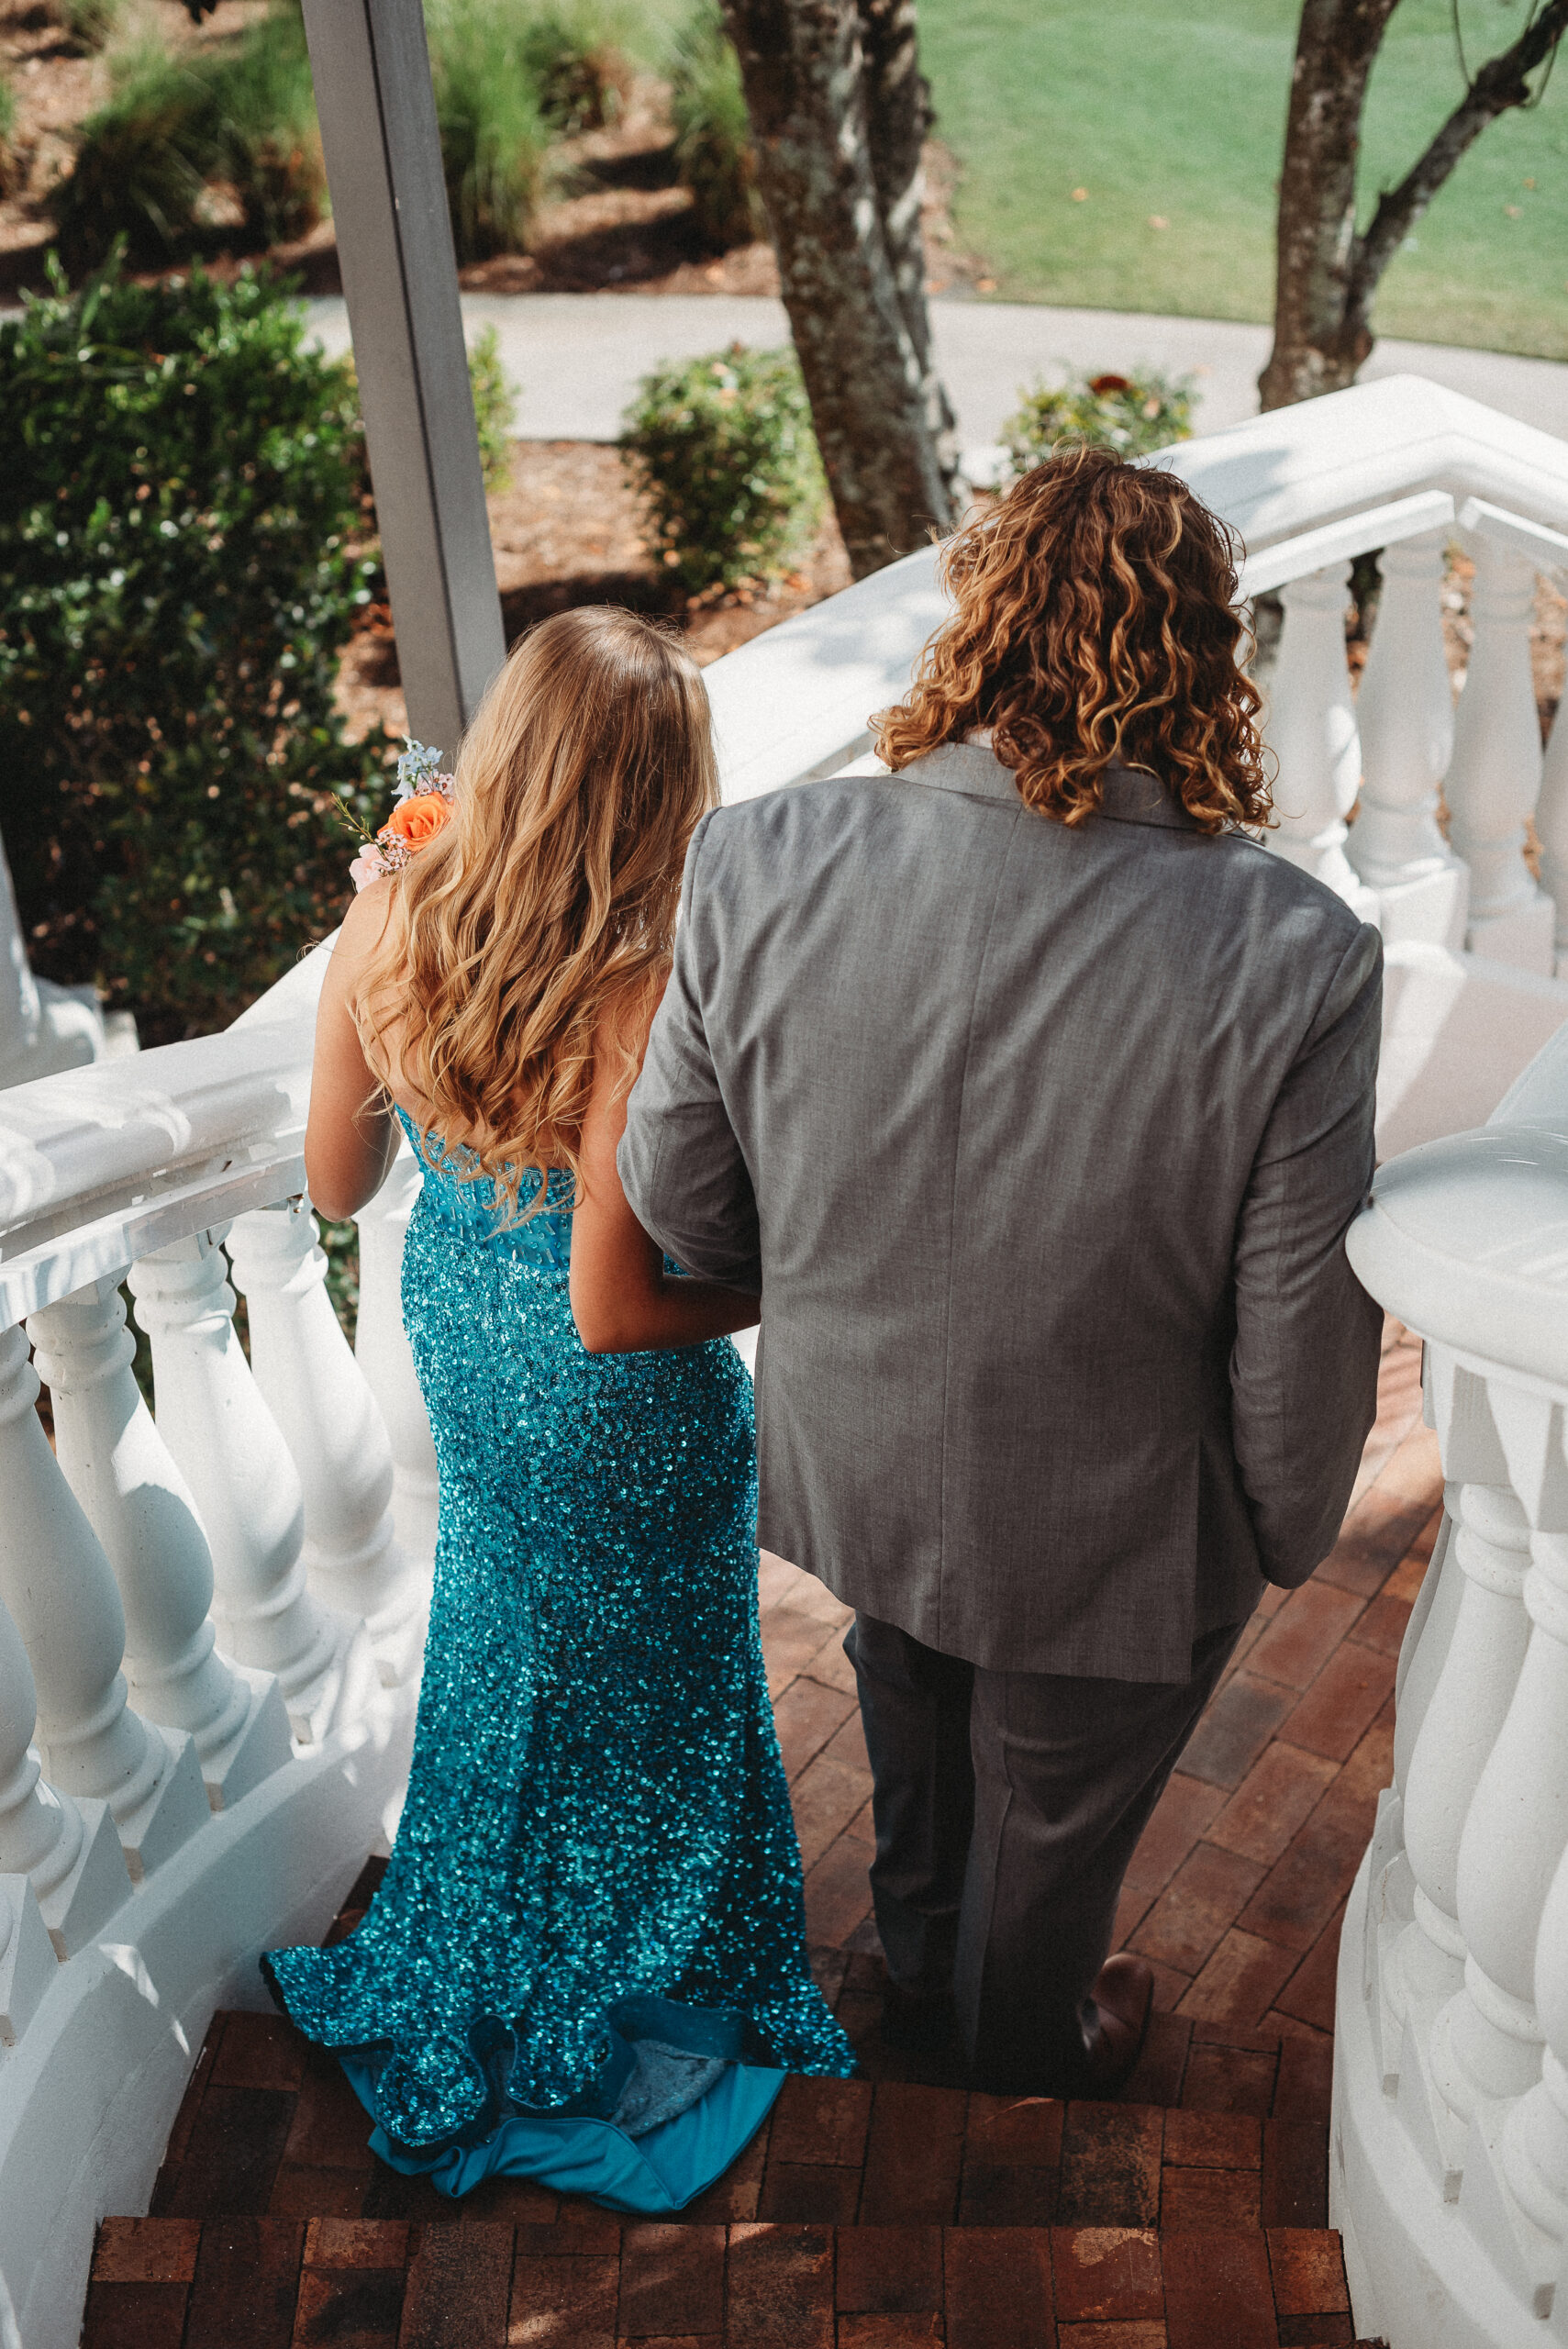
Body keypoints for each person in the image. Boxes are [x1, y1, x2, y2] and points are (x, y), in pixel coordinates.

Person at [615, 445, 1385, 2096]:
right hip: (1112, 1522)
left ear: (972, 622)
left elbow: (676, 1185)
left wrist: (825, 1280)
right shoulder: (1297, 954)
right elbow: (1294, 1322)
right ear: (1201, 661)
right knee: (1053, 1832)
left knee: (903, 1692)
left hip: (864, 1460)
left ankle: (911, 1976)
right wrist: (1282, 1527)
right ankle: (1014, 2078)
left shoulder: (757, 860)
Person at [263, 607, 853, 2215]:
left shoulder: (386, 923)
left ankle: (484, 1931)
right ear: (660, 797)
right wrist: (800, 1279)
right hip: (615, 1391)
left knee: (507, 1635)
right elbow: (613, 1305)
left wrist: (367, 947)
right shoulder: (633, 990)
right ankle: (632, 1985)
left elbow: (334, 1182)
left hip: (459, 1327)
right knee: (653, 1679)